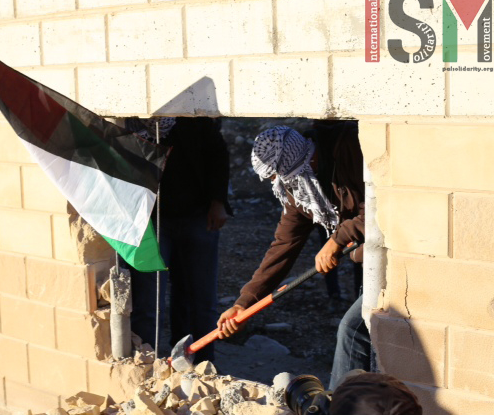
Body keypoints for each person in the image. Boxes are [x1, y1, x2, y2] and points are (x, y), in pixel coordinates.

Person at [216, 121, 366, 382]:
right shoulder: (300, 187)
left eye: (278, 176)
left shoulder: (351, 150)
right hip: (373, 261)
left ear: (297, 162)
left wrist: (337, 240)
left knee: (354, 331)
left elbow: (385, 206)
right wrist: (244, 303)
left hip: (404, 252)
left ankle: (345, 402)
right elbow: (283, 246)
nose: (278, 183)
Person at [124, 116, 231, 362]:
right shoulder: (131, 125)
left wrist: (218, 201)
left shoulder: (192, 115)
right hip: (149, 224)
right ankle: (147, 365)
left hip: (198, 217)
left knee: (200, 299)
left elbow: (217, 154)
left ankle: (203, 365)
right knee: (148, 302)